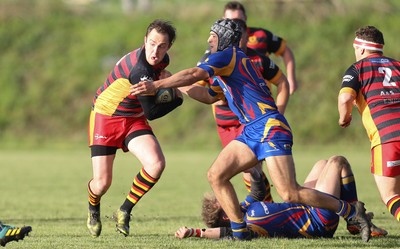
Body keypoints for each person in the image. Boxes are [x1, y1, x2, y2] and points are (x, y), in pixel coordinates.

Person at [130, 18, 372, 242]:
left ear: (224, 38)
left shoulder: (228, 55)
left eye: (212, 37)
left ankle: (350, 210)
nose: (208, 41)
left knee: (289, 192)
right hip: (252, 131)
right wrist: (177, 84)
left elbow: (194, 73)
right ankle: (239, 231)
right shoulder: (230, 63)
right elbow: (207, 95)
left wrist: (156, 85)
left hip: (269, 128)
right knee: (216, 175)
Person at [86, 19, 183, 237]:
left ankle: (124, 210)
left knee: (156, 164)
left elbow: (152, 95)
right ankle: (93, 208)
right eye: (151, 44)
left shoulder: (161, 61)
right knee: (102, 184)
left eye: (161, 46)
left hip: (132, 117)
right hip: (106, 116)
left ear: (168, 48)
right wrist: (177, 99)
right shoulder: (139, 69)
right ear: (144, 41)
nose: (155, 51)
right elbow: (152, 112)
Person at [174, 156, 387, 239]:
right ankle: (355, 220)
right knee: (338, 162)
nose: (230, 197)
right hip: (318, 221)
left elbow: (257, 191)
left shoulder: (244, 208)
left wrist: (252, 169)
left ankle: (353, 219)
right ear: (224, 216)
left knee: (322, 163)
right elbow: (224, 234)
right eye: (223, 200)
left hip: (306, 206)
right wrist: (195, 232)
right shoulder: (244, 226)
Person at [194, 18, 290, 202]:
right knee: (229, 172)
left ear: (245, 35)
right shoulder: (213, 57)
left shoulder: (257, 59)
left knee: (252, 171)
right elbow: (204, 90)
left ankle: (263, 209)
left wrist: (278, 113)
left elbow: (282, 82)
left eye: (244, 35)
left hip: (253, 121)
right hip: (225, 123)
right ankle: (258, 209)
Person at [338, 25, 400, 223]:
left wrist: (344, 118)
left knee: (390, 194)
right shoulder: (397, 65)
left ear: (362, 48)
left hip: (386, 138)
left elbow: (345, 98)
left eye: (356, 49)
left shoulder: (358, 68)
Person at [223, 1, 298, 94]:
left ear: (245, 18)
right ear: (223, 20)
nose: (235, 24)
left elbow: (285, 50)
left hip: (262, 94)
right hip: (232, 97)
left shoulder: (261, 35)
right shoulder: (219, 41)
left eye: (239, 20)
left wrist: (291, 78)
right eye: (230, 21)